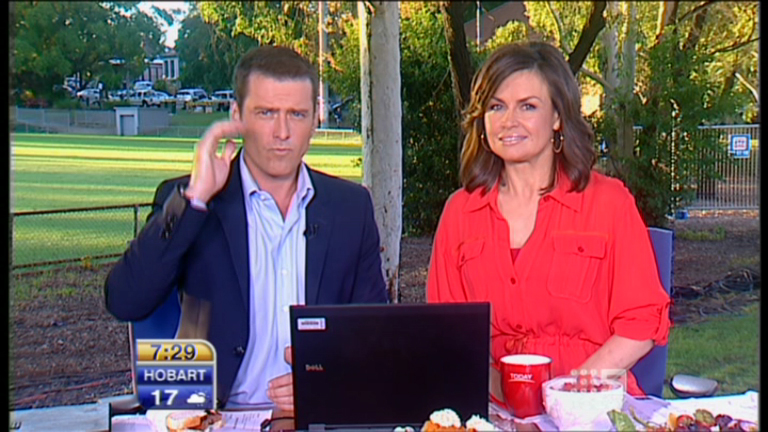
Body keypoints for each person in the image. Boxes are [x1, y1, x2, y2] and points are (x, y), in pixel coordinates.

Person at [105, 45, 388, 411]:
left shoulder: (351, 208)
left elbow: (373, 336)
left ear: (315, 121)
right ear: (236, 116)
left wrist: (325, 379)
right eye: (266, 113)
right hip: (211, 415)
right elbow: (125, 300)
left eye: (297, 114)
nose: (282, 132)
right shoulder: (193, 202)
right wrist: (195, 199)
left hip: (316, 414)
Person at [426, 41, 671, 400]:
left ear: (557, 117)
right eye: (496, 106)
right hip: (493, 406)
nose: (509, 121)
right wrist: (506, 401)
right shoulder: (459, 213)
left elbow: (642, 320)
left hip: (590, 402)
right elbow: (448, 334)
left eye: (528, 106)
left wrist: (570, 393)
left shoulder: (609, 202)